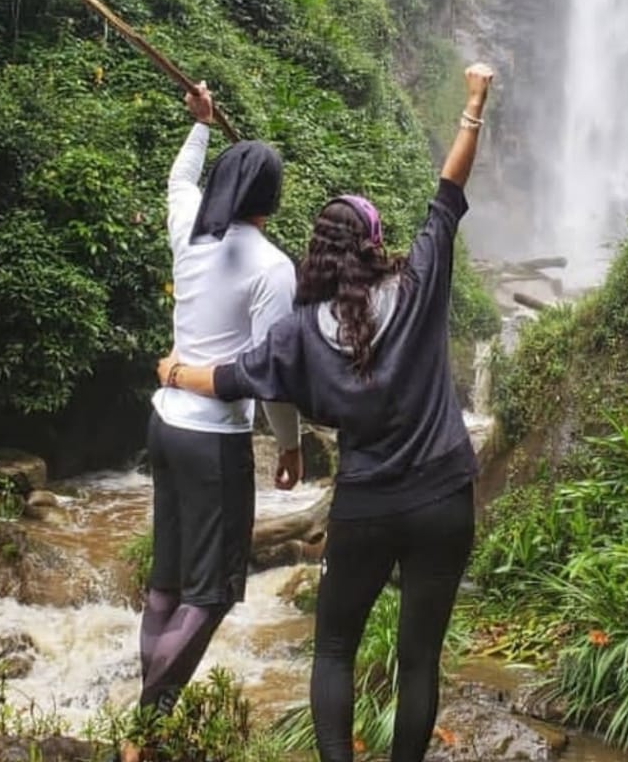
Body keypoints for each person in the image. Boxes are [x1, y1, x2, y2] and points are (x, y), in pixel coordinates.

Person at [156, 62, 495, 762]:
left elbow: (235, 377)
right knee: (418, 658)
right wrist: (473, 104)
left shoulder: (299, 332)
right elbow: (449, 187)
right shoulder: (420, 281)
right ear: (375, 244)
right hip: (443, 497)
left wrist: (176, 370)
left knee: (335, 648)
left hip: (366, 505)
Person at [133, 81, 302, 732]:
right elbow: (272, 378)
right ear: (272, 200)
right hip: (214, 441)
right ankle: (148, 719)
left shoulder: (188, 233)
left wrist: (201, 125)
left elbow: (180, 180)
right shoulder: (272, 268)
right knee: (214, 592)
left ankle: (147, 708)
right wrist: (288, 445)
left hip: (165, 423)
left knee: (167, 579)